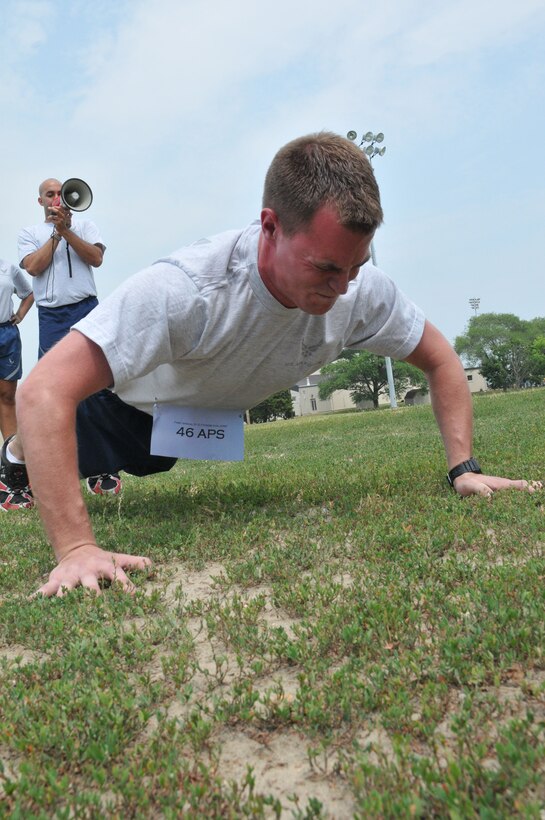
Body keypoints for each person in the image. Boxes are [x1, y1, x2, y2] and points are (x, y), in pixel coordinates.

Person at [4, 132, 539, 595]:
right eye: (327, 267)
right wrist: (76, 547)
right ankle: (14, 456)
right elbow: (42, 390)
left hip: (195, 416)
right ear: (270, 226)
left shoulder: (360, 288)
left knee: (154, 463)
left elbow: (442, 359)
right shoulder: (187, 288)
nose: (342, 287)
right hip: (117, 407)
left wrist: (463, 469)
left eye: (355, 266)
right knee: (71, 438)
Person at [14, 178, 121, 498]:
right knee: (54, 391)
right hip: (52, 317)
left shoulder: (86, 225)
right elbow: (33, 267)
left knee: (98, 386)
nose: (58, 198)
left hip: (87, 310)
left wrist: (69, 230)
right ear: (41, 202)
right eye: (51, 194)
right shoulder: (29, 234)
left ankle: (103, 467)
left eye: (61, 193)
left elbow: (96, 258)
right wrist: (56, 235)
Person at [0, 258, 34, 507]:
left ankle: (10, 466)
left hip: (6, 335)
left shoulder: (7, 267)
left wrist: (20, 314)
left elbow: (28, 293)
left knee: (7, 397)